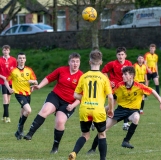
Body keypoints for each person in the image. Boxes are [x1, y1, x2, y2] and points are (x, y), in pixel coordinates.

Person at [87, 66, 161, 153]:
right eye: (123, 74)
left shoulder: (139, 86)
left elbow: (152, 91)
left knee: (136, 117)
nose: (122, 76)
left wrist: (160, 101)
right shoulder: (120, 85)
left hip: (133, 111)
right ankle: (93, 148)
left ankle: (126, 141)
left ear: (131, 76)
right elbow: (110, 94)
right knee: (103, 129)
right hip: (120, 110)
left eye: (125, 74)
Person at [23, 53, 83, 154]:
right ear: (69, 62)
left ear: (79, 63)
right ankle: (30, 134)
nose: (75, 64)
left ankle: (55, 147)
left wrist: (73, 105)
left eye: (77, 61)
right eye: (73, 61)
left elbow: (82, 95)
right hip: (55, 96)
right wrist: (39, 86)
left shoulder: (82, 76)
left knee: (60, 122)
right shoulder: (61, 70)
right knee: (45, 110)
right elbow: (49, 78)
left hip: (69, 103)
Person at [68, 50, 114, 160]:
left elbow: (75, 95)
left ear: (90, 62)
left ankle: (74, 153)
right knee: (102, 134)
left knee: (85, 135)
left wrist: (85, 98)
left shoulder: (84, 76)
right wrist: (111, 110)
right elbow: (111, 97)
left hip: (85, 109)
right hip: (98, 110)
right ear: (101, 62)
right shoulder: (104, 78)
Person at [3, 52, 38, 140]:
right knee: (28, 110)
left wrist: (33, 83)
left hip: (28, 94)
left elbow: (36, 82)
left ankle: (18, 132)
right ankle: (20, 128)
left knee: (23, 113)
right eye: (20, 58)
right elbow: (6, 81)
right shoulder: (13, 71)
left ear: (25, 59)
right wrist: (9, 89)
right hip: (19, 94)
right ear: (17, 60)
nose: (21, 60)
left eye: (23, 58)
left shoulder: (29, 70)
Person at [102, 47, 132, 131]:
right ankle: (98, 116)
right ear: (116, 55)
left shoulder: (129, 63)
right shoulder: (112, 64)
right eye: (119, 54)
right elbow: (104, 71)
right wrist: (108, 81)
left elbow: (131, 75)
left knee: (124, 104)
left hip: (125, 87)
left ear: (125, 55)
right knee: (116, 104)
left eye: (122, 54)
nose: (120, 56)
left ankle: (125, 123)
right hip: (115, 88)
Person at [0, 45, 17, 123]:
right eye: (4, 50)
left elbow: (16, 71)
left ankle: (4, 116)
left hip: (11, 82)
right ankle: (7, 117)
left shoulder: (13, 60)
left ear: (9, 51)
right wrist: (3, 77)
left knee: (8, 100)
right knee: (5, 99)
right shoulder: (0, 60)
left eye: (7, 50)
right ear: (2, 51)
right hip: (3, 82)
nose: (5, 51)